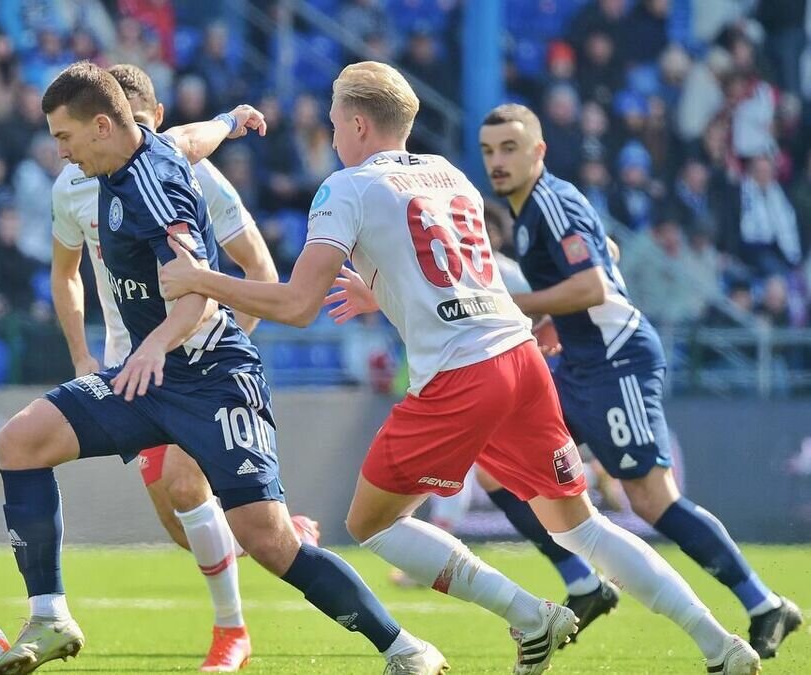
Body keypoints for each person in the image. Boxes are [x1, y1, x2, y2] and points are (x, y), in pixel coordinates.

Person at [159, 61, 762, 675]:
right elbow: (447, 273)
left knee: (370, 522)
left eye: (337, 122)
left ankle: (529, 614)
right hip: (519, 360)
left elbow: (296, 304)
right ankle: (721, 647)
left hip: (460, 377)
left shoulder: (346, 187)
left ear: (358, 124)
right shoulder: (451, 176)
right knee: (584, 529)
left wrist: (199, 279)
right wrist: (380, 290)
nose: (334, 136)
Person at [0, 61, 440, 675]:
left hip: (210, 374)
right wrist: (230, 121)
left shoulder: (156, 191)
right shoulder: (148, 149)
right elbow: (191, 137)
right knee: (20, 442)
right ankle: (50, 616)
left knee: (269, 542)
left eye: (64, 138)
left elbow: (197, 289)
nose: (60, 154)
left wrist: (152, 345)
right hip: (145, 378)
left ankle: (404, 648)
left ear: (101, 127)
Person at [471, 104, 801, 659]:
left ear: (538, 151)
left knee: (650, 499)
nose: (498, 161)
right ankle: (584, 584)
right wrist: (557, 318)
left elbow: (595, 285)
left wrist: (522, 305)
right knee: (497, 469)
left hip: (616, 358)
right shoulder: (532, 211)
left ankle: (765, 604)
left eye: (510, 148)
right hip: (580, 360)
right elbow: (610, 252)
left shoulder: (549, 204)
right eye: (488, 151)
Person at [50, 63, 318, 672]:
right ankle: (273, 532)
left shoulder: (190, 175)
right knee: (182, 524)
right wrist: (83, 357)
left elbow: (261, 274)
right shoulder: (72, 184)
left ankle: (232, 633)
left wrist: (215, 357)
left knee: (183, 482)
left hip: (195, 365)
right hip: (129, 371)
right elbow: (65, 272)